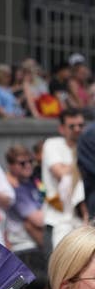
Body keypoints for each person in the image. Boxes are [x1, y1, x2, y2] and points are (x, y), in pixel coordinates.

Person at [4, 144, 48, 289]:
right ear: (11, 166)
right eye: (22, 163)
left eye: (30, 161)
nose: (28, 165)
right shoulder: (14, 189)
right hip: (23, 249)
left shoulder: (31, 183)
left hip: (35, 247)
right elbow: (38, 220)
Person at [42, 108, 88, 253]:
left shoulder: (88, 147)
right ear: (61, 129)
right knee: (58, 271)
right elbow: (59, 173)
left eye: (80, 125)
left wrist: (69, 167)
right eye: (72, 126)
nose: (77, 129)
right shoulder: (52, 144)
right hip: (57, 219)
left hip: (83, 222)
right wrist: (85, 165)